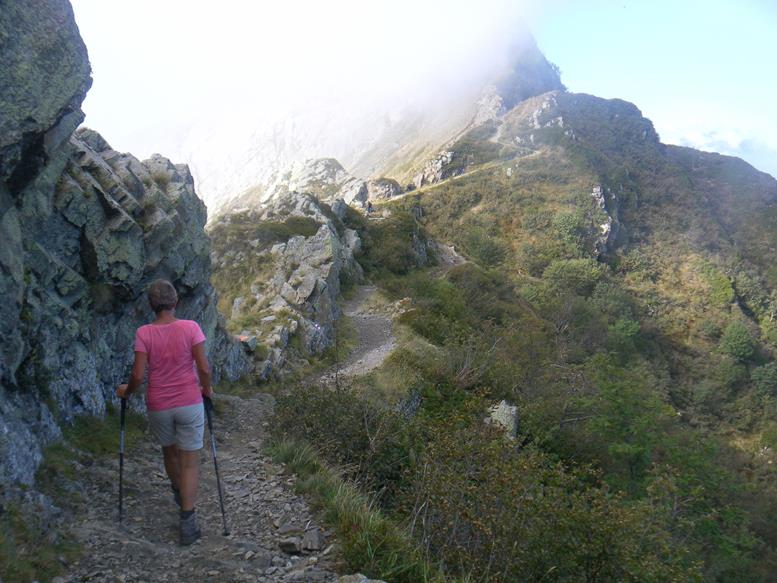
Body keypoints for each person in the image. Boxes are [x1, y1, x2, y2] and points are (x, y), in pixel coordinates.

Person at [116, 279, 213, 545]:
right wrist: (207, 389)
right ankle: (188, 520)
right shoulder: (191, 328)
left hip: (159, 405)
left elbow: (138, 374)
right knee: (190, 461)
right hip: (189, 401)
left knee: (169, 453)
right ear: (175, 302)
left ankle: (178, 491)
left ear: (151, 306)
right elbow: (203, 368)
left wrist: (127, 390)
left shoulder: (144, 333)